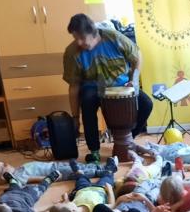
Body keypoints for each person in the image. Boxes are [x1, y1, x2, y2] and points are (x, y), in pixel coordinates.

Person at [63, 14, 153, 163]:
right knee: (87, 102)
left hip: (120, 84)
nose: (78, 42)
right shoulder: (72, 52)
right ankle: (94, 151)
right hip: (93, 87)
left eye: (82, 38)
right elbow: (74, 87)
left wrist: (134, 80)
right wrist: (75, 118)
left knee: (146, 104)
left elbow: (137, 56)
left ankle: (126, 139)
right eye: (75, 38)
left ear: (93, 32)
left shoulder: (114, 38)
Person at [0, 158, 116, 186]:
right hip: (54, 171)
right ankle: (104, 171)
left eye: (4, 162)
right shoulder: (18, 177)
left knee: (79, 165)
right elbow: (34, 179)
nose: (7, 163)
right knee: (77, 171)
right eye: (4, 166)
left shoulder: (19, 169)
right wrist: (53, 178)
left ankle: (102, 166)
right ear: (4, 177)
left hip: (53, 165)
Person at [48, 172, 116, 212]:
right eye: (63, 203)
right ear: (73, 211)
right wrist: (110, 190)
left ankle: (82, 173)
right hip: (101, 188)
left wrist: (66, 199)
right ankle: (109, 168)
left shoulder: (73, 206)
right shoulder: (96, 211)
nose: (64, 202)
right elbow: (112, 205)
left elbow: (67, 204)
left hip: (82, 188)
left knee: (80, 177)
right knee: (108, 175)